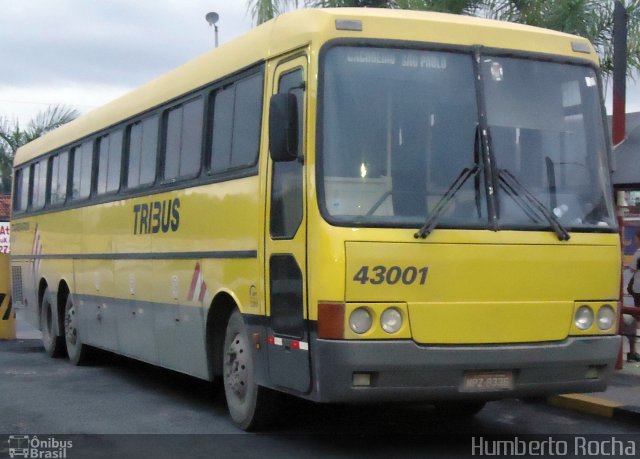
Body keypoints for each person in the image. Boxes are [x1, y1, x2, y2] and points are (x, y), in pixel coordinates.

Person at [624, 231, 640, 362]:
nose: (635, 241)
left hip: (638, 289)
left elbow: (632, 269)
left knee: (635, 317)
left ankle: (633, 350)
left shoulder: (638, 254)